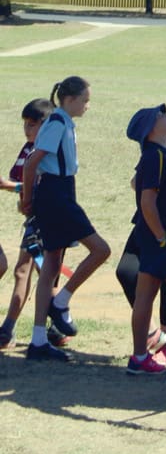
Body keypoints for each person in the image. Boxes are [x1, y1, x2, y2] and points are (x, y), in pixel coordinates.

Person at [19, 77, 112, 363]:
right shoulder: (57, 123)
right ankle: (60, 302)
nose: (87, 105)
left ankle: (38, 340)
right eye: (84, 100)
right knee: (101, 250)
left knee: (51, 265)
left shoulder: (64, 123)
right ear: (70, 99)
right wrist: (27, 198)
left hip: (62, 190)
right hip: (56, 194)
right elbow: (33, 161)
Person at [115, 102, 166, 362]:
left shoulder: (164, 154)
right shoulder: (154, 156)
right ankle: (156, 358)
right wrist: (161, 237)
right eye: (161, 116)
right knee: (151, 294)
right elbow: (147, 202)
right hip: (162, 238)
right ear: (150, 130)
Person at [0, 98, 54, 350]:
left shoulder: (47, 152)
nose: (27, 129)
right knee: (31, 272)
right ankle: (13, 328)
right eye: (25, 124)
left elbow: (42, 186)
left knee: (38, 272)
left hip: (47, 221)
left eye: (32, 124)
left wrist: (11, 186)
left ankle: (17, 329)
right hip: (33, 221)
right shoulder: (27, 149)